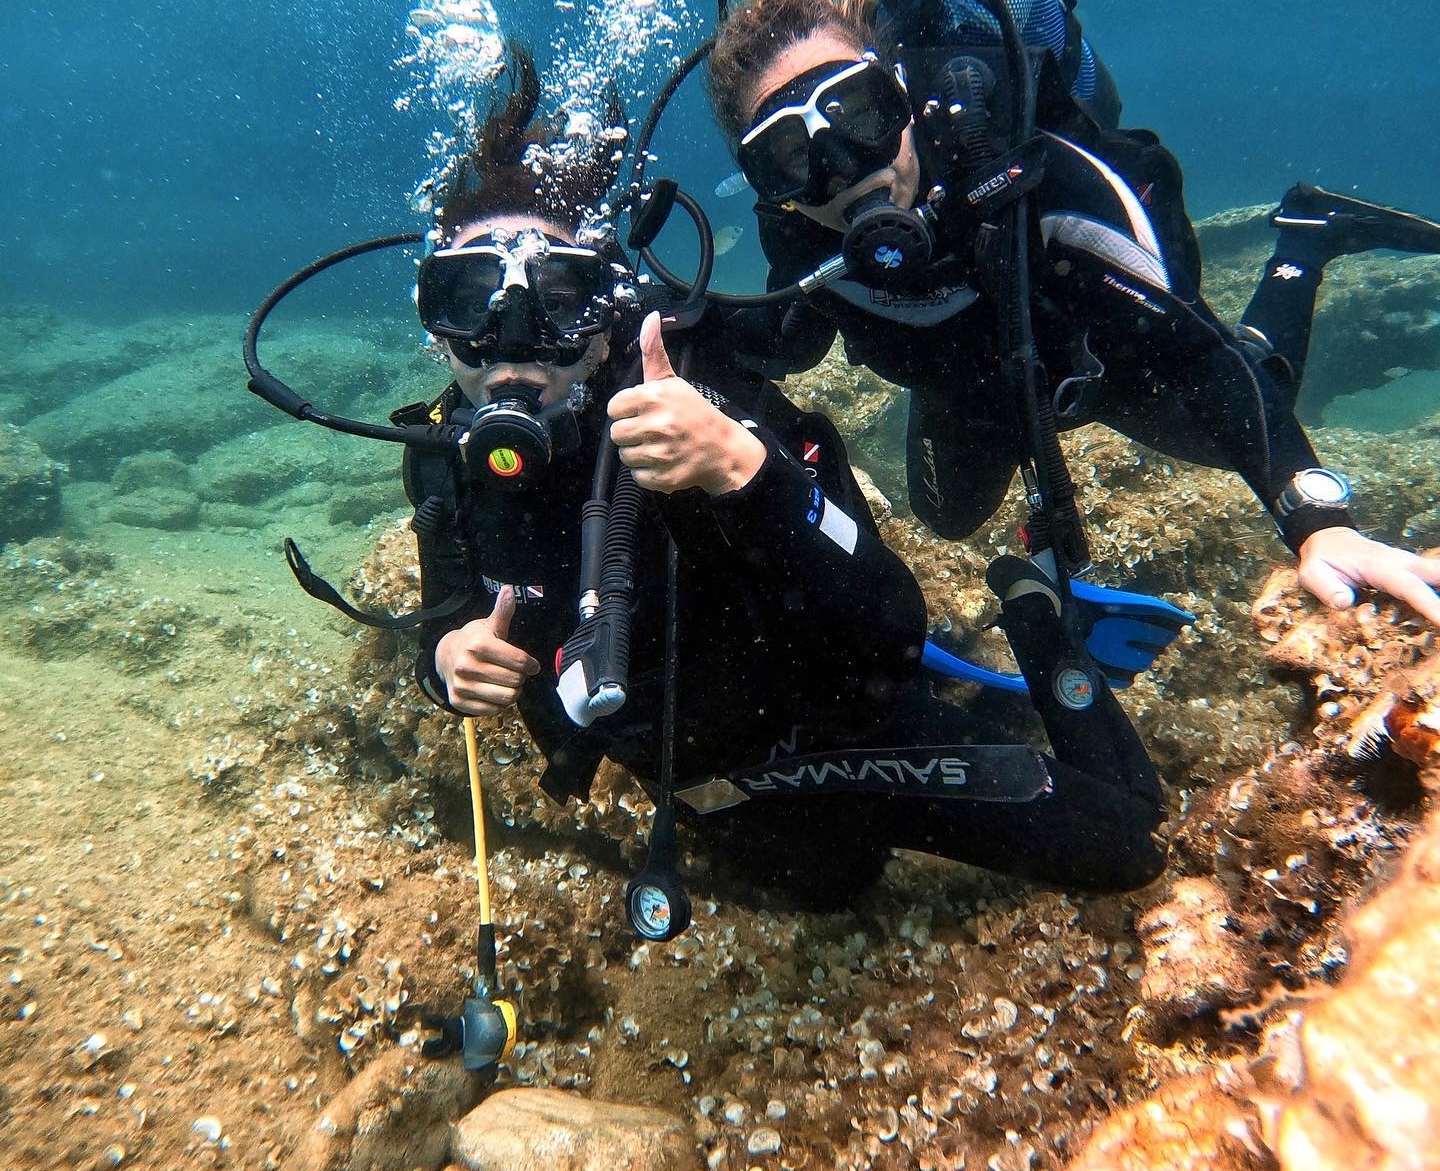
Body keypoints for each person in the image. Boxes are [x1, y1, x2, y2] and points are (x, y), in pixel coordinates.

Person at [397, 47, 1168, 905]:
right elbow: (450, 625)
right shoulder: (443, 459)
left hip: (842, 720)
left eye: (560, 298)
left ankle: (1032, 614)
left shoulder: (703, 398)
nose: (510, 339)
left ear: (607, 311)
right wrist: (448, 661)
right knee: (826, 889)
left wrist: (740, 466)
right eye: (466, 298)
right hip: (697, 776)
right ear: (436, 328)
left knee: (1127, 842)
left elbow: (890, 629)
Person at [706, 0, 1440, 627]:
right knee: (946, 516)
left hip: (1102, 360)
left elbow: (1198, 356)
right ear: (773, 189)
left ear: (899, 92)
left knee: (1257, 392)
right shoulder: (806, 241)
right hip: (968, 391)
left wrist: (1318, 520)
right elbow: (785, 341)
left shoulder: (1039, 186)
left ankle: (1306, 236)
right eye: (791, 156)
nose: (843, 169)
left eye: (857, 112)